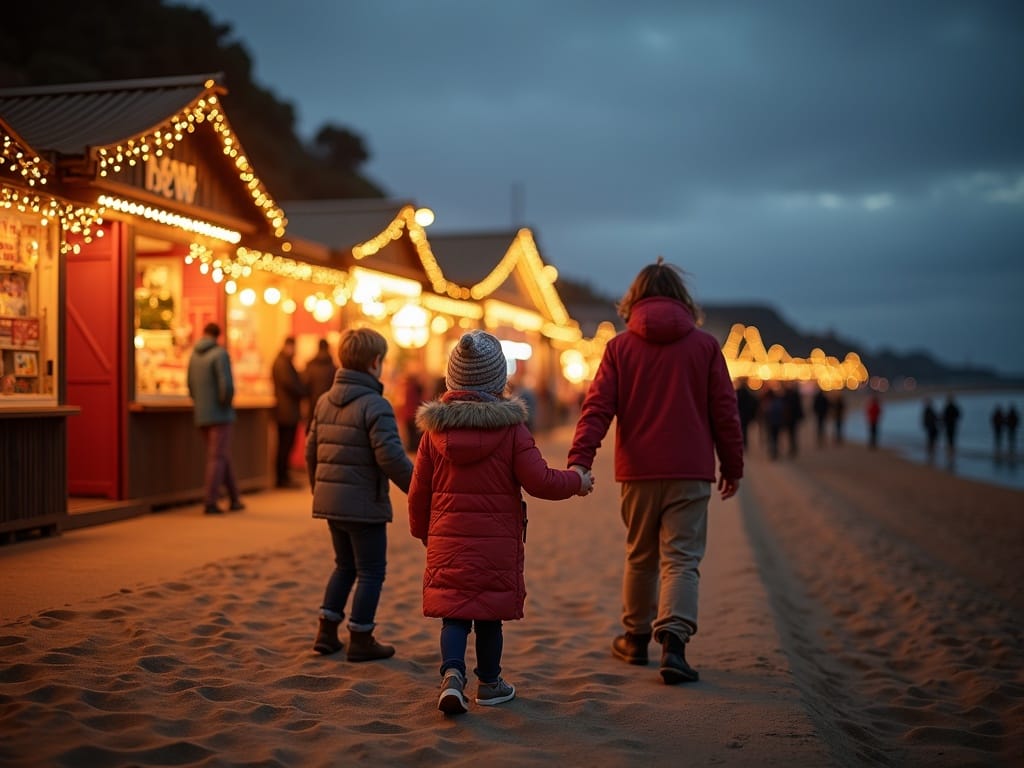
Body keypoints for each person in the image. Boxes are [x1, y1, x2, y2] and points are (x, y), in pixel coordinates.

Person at [567, 257, 743, 685]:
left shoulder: (619, 348)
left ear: (635, 299)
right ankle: (675, 648)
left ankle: (634, 640)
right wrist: (732, 465)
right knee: (681, 559)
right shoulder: (705, 347)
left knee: (641, 557)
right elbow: (725, 411)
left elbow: (598, 408)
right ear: (682, 298)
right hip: (691, 472)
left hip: (637, 472)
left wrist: (580, 460)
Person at [407, 330, 592, 715]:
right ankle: (489, 683)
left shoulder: (433, 433)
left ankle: (452, 677)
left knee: (454, 614)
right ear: (497, 380)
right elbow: (539, 481)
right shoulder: (511, 430)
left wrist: (423, 532)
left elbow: (418, 492)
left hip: (446, 540)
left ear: (451, 379)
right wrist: (577, 481)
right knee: (489, 616)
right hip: (495, 544)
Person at [306, 328, 414, 662]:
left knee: (344, 566)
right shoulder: (376, 405)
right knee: (370, 571)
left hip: (332, 503)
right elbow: (391, 457)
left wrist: (319, 491)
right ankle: (361, 636)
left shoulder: (324, 401)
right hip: (364, 505)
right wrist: (420, 488)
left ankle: (326, 631)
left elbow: (312, 450)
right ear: (375, 362)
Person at [187, 322, 245, 515]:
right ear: (218, 336)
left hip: (201, 413)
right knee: (217, 457)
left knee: (220, 455)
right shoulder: (220, 354)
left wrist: (200, 403)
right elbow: (226, 385)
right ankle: (210, 501)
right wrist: (225, 403)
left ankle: (235, 498)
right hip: (220, 414)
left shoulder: (194, 355)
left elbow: (190, 384)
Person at [272, 336, 307, 488]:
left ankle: (283, 476)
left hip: (285, 410)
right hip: (286, 411)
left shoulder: (282, 362)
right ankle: (282, 478)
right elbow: (291, 385)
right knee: (285, 445)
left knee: (286, 444)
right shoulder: (282, 364)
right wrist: (303, 391)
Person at [302, 338, 337, 426]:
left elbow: (304, 386)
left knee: (312, 429)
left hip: (313, 404)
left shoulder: (310, 365)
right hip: (329, 405)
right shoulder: (333, 367)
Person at [735, 378, 759, 450]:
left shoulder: (738, 393)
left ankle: (742, 443)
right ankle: (744, 443)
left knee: (741, 430)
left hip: (740, 415)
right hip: (745, 415)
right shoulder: (748, 394)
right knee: (744, 430)